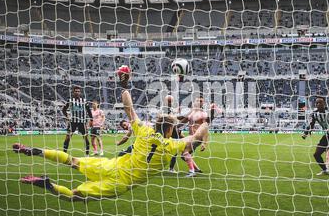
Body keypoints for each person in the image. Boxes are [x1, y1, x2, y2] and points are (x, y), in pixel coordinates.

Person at [13, 66, 210, 201]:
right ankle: (49, 185)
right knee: (75, 196)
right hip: (121, 182)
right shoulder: (171, 145)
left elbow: (129, 108)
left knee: (73, 161)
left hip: (111, 165)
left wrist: (124, 86)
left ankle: (36, 151)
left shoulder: (144, 131)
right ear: (169, 130)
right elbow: (195, 137)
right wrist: (206, 122)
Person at [179, 96, 218, 177]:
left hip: (197, 137)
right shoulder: (191, 113)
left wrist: (204, 143)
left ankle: (192, 171)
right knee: (183, 155)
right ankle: (196, 169)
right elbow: (183, 121)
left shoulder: (203, 114)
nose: (197, 102)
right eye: (196, 100)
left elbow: (206, 127)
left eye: (200, 101)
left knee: (185, 152)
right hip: (191, 137)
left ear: (202, 103)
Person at [62, 86, 93, 156]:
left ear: (80, 92)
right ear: (73, 92)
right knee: (68, 137)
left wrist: (91, 120)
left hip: (82, 122)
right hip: (72, 122)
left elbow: (88, 110)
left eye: (78, 91)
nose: (77, 92)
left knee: (85, 138)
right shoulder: (70, 100)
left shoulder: (84, 101)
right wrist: (67, 116)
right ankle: (64, 154)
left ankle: (87, 155)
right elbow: (64, 109)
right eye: (76, 91)